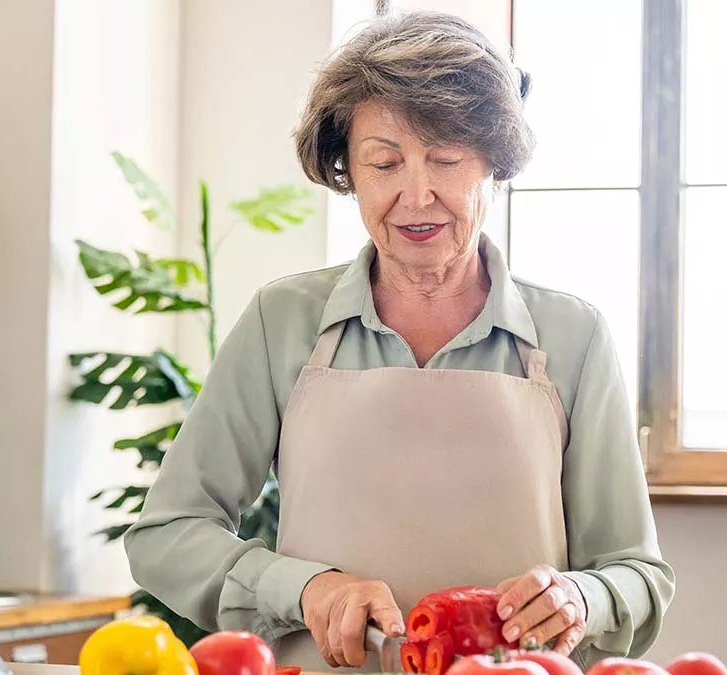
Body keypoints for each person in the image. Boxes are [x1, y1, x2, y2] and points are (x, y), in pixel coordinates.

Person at [123, 10, 675, 672]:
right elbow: (167, 533)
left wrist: (579, 595)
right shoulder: (284, 320)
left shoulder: (573, 336)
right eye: (384, 162)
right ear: (347, 172)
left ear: (494, 162)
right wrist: (303, 587)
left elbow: (638, 573)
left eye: (445, 159)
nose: (417, 195)